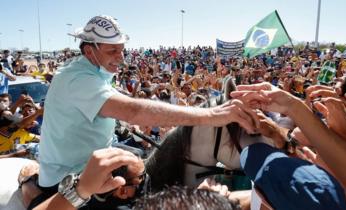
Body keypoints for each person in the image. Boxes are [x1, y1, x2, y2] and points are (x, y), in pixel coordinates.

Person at [31, 15, 259, 209]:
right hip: (73, 173)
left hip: (102, 153)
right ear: (90, 50)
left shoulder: (95, 71)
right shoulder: (77, 78)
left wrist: (122, 125)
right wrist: (213, 115)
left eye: (122, 50)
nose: (120, 57)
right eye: (113, 51)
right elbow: (132, 109)